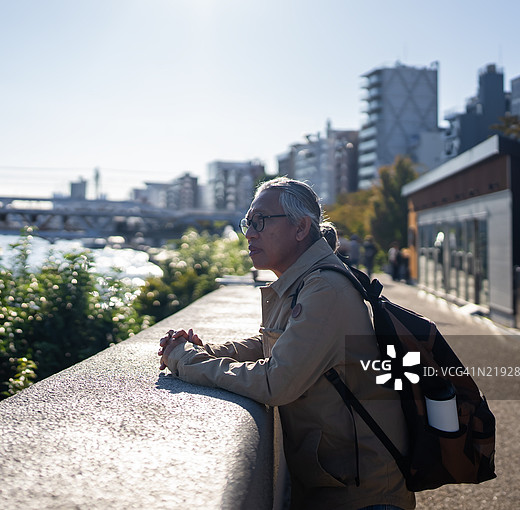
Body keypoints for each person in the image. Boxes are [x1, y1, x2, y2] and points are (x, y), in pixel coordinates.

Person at [158, 177, 413, 510]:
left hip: (364, 495)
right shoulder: (303, 279)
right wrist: (205, 350)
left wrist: (186, 361)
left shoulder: (325, 289)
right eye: (248, 222)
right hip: (335, 483)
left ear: (300, 227)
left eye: (261, 221)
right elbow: (274, 342)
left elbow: (275, 382)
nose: (249, 232)